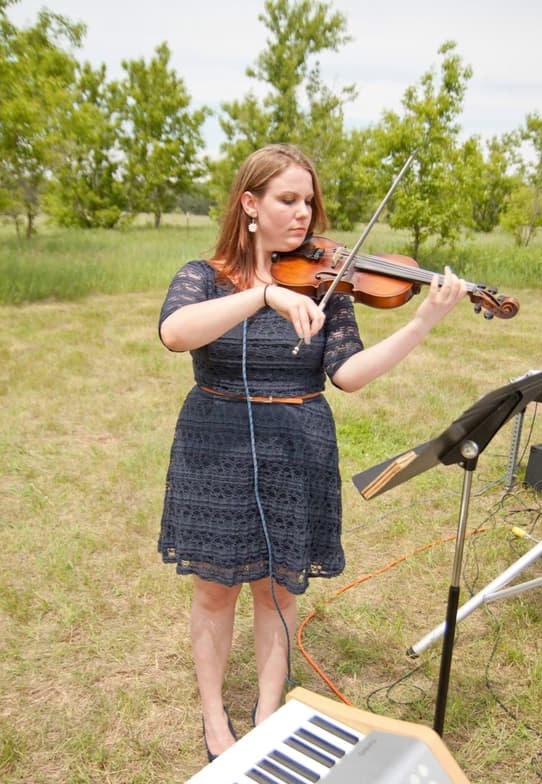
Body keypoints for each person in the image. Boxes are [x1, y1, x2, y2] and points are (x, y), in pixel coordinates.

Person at [157, 143, 466, 761]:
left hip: (298, 447)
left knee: (280, 588)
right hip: (215, 445)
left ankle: (269, 709)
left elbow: (349, 374)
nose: (305, 215)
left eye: (309, 202)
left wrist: (422, 323)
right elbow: (175, 332)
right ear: (251, 204)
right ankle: (214, 716)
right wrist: (265, 294)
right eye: (288, 200)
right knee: (216, 588)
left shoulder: (330, 283)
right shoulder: (205, 275)